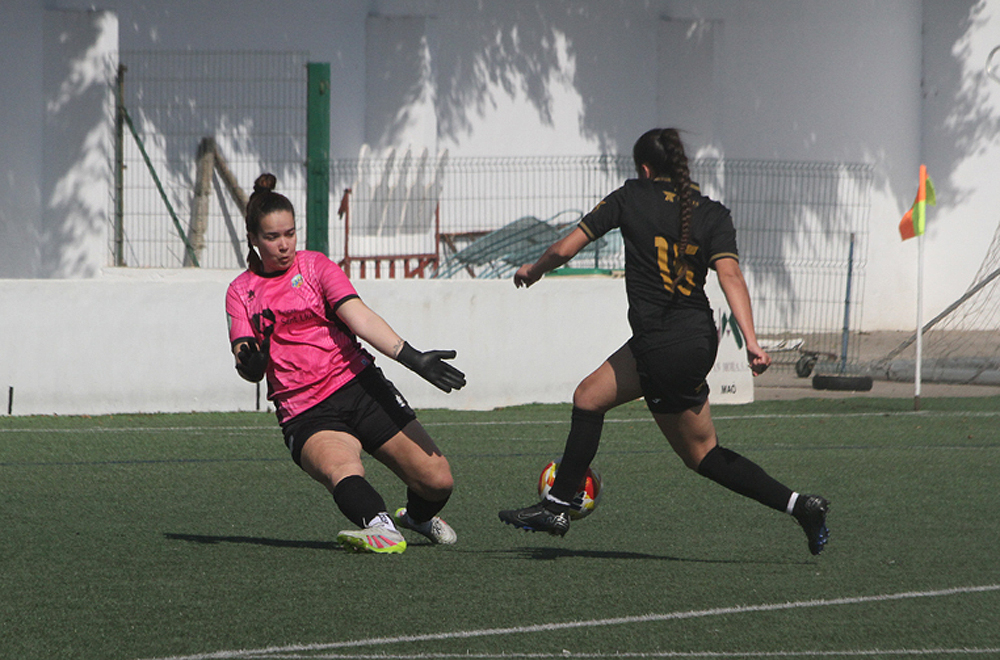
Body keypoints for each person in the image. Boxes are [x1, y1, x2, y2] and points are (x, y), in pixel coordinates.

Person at [498, 129, 830, 556]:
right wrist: (751, 341)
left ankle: (559, 505)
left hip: (660, 342)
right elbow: (731, 277)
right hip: (697, 340)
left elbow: (566, 248)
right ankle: (802, 506)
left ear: (644, 168)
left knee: (596, 405)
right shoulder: (713, 212)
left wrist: (534, 269)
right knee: (694, 449)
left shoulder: (631, 195)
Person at [226, 173, 466, 554]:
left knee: (437, 481)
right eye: (272, 237)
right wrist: (251, 366)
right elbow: (243, 352)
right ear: (253, 238)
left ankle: (416, 518)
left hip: (359, 387)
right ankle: (381, 527)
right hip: (304, 410)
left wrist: (414, 358)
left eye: (290, 233)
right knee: (343, 470)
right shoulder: (241, 292)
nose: (284, 245)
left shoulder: (316, 267)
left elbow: (360, 318)